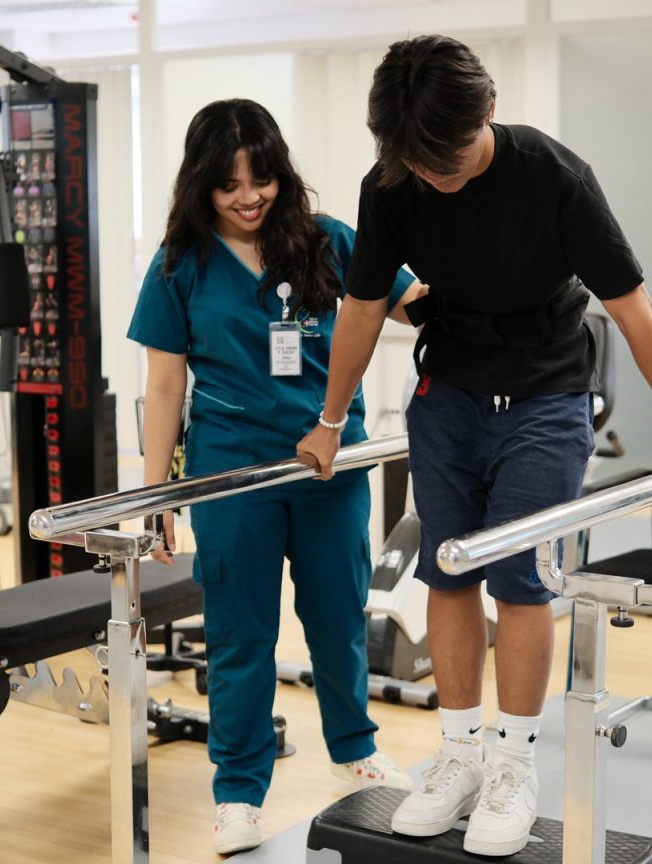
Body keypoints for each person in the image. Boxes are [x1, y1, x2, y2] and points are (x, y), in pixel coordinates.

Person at [295, 36, 652, 857]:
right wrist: (329, 419)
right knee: (450, 567)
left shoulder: (556, 178)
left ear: (488, 110)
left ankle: (514, 765)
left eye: (446, 158)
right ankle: (460, 753)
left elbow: (636, 310)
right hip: (449, 389)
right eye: (416, 162)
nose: (432, 175)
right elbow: (358, 310)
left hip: (545, 394)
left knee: (521, 579)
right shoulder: (393, 180)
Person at [128, 98, 426, 855]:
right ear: (201, 187)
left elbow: (411, 304)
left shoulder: (329, 241)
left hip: (331, 466)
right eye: (229, 186)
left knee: (337, 617)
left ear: (280, 172)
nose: (248, 197)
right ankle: (238, 791)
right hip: (232, 475)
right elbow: (165, 389)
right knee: (240, 635)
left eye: (260, 179)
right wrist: (158, 496)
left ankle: (355, 749)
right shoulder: (179, 266)